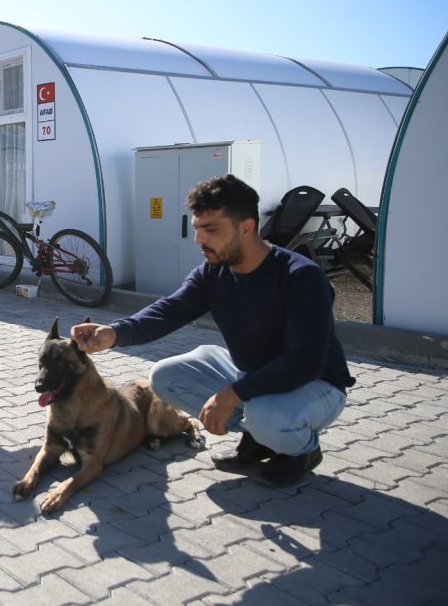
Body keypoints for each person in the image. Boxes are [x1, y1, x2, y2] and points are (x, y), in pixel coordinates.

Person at [71, 174, 352, 488]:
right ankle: (258, 438)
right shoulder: (213, 272)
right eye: (196, 228)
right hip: (252, 371)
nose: (198, 240)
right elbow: (168, 312)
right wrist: (113, 333)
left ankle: (301, 451)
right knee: (165, 377)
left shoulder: (300, 277)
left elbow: (304, 362)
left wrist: (230, 395)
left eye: (210, 229)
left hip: (317, 384)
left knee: (267, 416)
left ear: (246, 227)